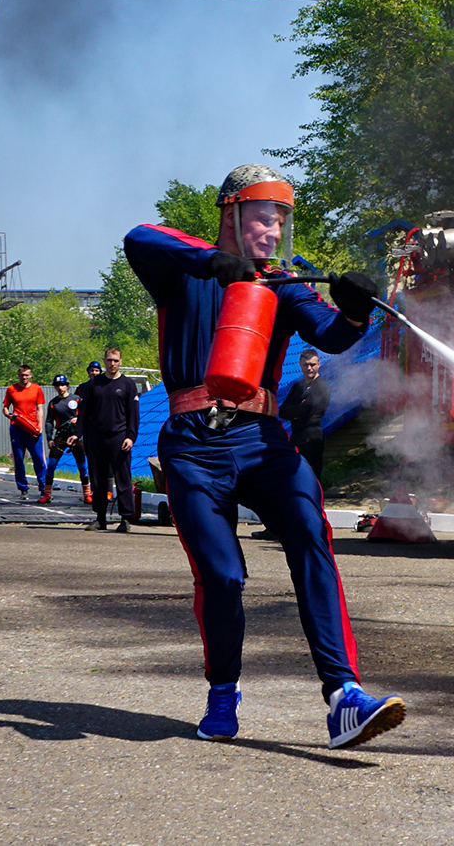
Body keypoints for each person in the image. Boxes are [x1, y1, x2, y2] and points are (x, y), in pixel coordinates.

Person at [124, 163, 404, 750]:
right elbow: (139, 238)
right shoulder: (184, 273)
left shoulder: (283, 285)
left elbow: (329, 334)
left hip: (262, 439)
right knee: (223, 577)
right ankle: (223, 692)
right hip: (192, 446)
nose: (274, 230)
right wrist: (209, 262)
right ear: (230, 211)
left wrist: (355, 310)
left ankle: (344, 697)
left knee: (310, 531)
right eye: (263, 215)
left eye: (282, 219)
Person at [78, 347, 141, 533]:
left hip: (119, 437)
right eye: (109, 360)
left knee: (123, 479)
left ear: (120, 361)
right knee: (98, 480)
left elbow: (133, 414)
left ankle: (125, 519)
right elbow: (84, 413)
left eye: (115, 360)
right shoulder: (93, 384)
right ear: (104, 361)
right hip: (96, 438)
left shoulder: (128, 385)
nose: (112, 364)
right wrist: (77, 433)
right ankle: (100, 518)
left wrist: (131, 437)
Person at [280, 349, 332, 483]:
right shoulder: (298, 387)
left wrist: (296, 410)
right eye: (306, 365)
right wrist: (297, 411)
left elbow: (309, 408)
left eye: (312, 364)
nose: (309, 368)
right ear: (300, 365)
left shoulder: (322, 387)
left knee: (311, 476)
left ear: (319, 364)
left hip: (312, 437)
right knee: (295, 475)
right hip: (296, 436)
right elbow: (283, 411)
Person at [0, 365, 46, 500]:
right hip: (17, 428)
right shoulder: (11, 389)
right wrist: (9, 416)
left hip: (32, 428)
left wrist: (40, 426)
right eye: (22, 375)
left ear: (30, 375)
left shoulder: (37, 389)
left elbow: (40, 408)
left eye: (26, 375)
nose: (24, 377)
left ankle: (44, 489)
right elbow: (5, 408)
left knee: (39, 458)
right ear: (18, 375)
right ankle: (23, 488)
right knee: (19, 459)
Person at [40, 374, 85, 505]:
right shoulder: (53, 403)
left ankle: (87, 494)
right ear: (54, 387)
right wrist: (49, 438)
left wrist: (78, 420)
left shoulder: (76, 400)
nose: (60, 388)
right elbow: (49, 422)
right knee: (52, 465)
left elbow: (85, 416)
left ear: (67, 386)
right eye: (58, 385)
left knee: (82, 466)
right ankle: (47, 494)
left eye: (63, 385)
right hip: (60, 436)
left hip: (76, 435)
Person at [79, 360, 103, 505]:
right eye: (92, 370)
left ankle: (106, 491)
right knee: (92, 462)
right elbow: (77, 409)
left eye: (96, 370)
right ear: (88, 372)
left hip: (102, 428)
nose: (94, 373)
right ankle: (93, 492)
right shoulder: (82, 388)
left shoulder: (104, 386)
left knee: (105, 463)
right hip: (89, 430)